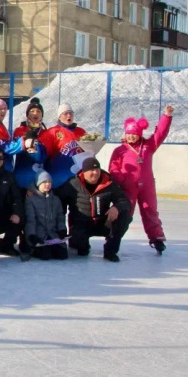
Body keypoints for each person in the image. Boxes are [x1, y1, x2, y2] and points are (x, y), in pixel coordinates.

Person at [108, 106, 174, 254]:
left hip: (147, 186)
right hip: (128, 187)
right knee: (125, 212)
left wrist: (166, 116)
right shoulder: (120, 150)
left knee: (150, 211)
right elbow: (113, 168)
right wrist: (122, 179)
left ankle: (157, 238)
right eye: (129, 134)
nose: (131, 136)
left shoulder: (148, 146)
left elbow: (160, 134)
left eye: (134, 134)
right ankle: (114, 237)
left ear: (139, 134)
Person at [66, 157, 132, 262]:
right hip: (82, 223)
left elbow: (125, 201)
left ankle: (110, 250)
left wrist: (116, 207)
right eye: (92, 170)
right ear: (84, 172)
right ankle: (81, 244)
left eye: (97, 170)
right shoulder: (73, 184)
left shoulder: (108, 182)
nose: (95, 173)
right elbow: (59, 204)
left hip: (102, 222)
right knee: (80, 252)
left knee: (125, 216)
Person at [38, 103, 86, 209]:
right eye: (65, 114)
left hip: (78, 180)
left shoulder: (81, 132)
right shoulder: (53, 132)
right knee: (58, 213)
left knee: (78, 213)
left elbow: (88, 153)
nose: (68, 116)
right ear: (59, 116)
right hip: (58, 181)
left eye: (70, 113)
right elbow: (42, 154)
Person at [24, 170, 68, 261]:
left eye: (49, 182)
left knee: (63, 255)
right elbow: (30, 220)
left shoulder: (56, 199)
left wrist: (62, 229)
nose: (47, 184)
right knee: (45, 255)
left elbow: (60, 217)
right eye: (44, 182)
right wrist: (31, 236)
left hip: (52, 235)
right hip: (39, 236)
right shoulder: (31, 199)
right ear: (38, 183)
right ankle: (33, 249)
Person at [12, 98, 47, 191]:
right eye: (32, 111)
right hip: (22, 177)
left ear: (42, 115)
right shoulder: (20, 130)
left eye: (38, 111)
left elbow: (44, 157)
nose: (35, 113)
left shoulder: (46, 133)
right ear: (27, 115)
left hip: (40, 180)